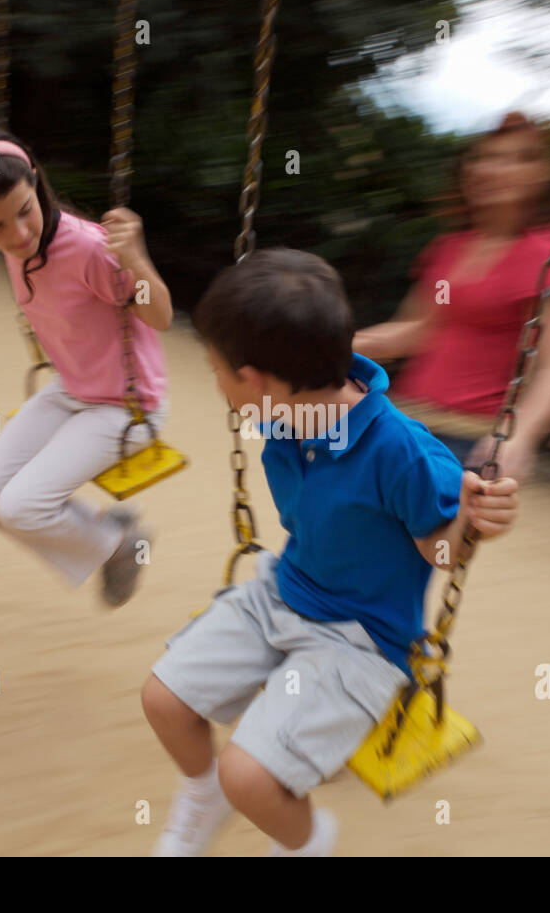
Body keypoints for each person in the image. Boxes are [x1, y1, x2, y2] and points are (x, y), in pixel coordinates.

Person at [141, 248, 519, 856]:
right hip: (281, 592)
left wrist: (474, 525)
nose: (215, 383)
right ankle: (202, 792)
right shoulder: (283, 416)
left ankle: (307, 842)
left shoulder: (401, 452)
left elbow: (440, 554)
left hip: (359, 641)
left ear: (254, 380)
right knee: (164, 699)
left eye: (216, 370)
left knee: (251, 777)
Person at [0, 125, 172, 606]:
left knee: (22, 507)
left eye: (24, 212)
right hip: (72, 391)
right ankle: (110, 535)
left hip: (128, 407)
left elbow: (158, 316)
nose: (18, 234)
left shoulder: (92, 250)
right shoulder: (22, 247)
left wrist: (136, 258)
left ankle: (120, 546)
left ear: (35, 183)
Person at [354, 112, 550, 482]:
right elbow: (419, 330)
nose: (491, 169)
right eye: (484, 157)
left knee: (419, 540)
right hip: (400, 422)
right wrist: (338, 345)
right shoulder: (448, 249)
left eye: (517, 158)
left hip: (466, 440)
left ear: (542, 175)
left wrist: (521, 437)